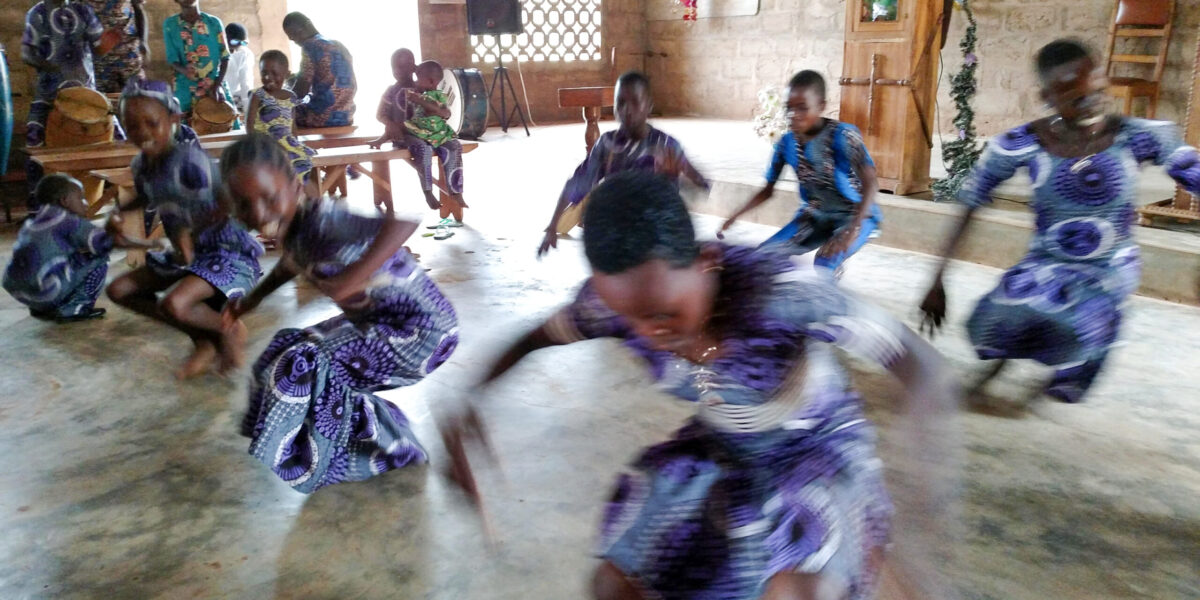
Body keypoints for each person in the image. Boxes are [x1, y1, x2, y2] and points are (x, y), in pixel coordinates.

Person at [447, 171, 960, 599]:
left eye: (664, 315)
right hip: (723, 447)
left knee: (794, 591)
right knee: (615, 582)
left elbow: (923, 368)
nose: (649, 334)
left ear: (706, 262)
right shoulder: (617, 306)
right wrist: (467, 402)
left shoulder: (781, 294)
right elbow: (534, 339)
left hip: (817, 449)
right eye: (631, 319)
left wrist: (919, 509)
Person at [918, 39, 1200, 404]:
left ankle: (1076, 361)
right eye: (1071, 91)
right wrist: (937, 278)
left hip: (1109, 265)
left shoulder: (1138, 136)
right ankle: (1002, 362)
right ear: (1047, 96)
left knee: (1079, 322)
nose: (1089, 94)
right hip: (1045, 261)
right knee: (994, 320)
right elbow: (972, 203)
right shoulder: (1025, 142)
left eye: (1094, 82)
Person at [218, 133, 459, 493]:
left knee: (303, 366)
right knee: (286, 347)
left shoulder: (326, 220)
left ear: (296, 186)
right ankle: (370, 432)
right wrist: (249, 302)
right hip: (380, 326)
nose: (258, 213)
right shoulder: (295, 230)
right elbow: (289, 265)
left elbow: (402, 224)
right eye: (244, 204)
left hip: (421, 332)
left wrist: (350, 278)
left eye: (269, 198)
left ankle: (391, 445)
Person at [105, 79, 262, 379]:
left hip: (225, 249)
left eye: (152, 123)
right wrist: (118, 213)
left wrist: (188, 235)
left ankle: (227, 328)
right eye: (131, 125)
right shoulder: (141, 165)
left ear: (174, 121)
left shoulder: (191, 161)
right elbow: (147, 194)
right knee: (120, 290)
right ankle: (202, 339)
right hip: (186, 251)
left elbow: (227, 203)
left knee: (174, 304)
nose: (142, 133)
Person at [720, 70, 882, 276]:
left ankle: (831, 290)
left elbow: (870, 183)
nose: (793, 115)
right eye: (788, 108)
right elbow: (768, 190)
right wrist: (735, 215)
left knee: (824, 264)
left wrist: (853, 229)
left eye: (802, 108)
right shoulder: (786, 143)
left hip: (854, 217)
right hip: (814, 218)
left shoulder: (843, 136)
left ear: (821, 106)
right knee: (762, 257)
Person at [539, 71, 709, 257]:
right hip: (619, 239)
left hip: (656, 241)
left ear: (648, 106)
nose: (626, 110)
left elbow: (701, 187)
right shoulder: (607, 145)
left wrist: (677, 180)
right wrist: (552, 225)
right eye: (620, 102)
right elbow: (578, 182)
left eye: (635, 102)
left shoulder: (667, 146)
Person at [3, 174, 158, 322]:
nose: (85, 202)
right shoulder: (68, 222)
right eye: (80, 197)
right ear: (64, 201)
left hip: (18, 290)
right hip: (46, 292)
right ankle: (75, 308)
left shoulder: (35, 220)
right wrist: (150, 244)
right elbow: (107, 243)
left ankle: (41, 307)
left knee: (67, 260)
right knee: (99, 258)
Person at [372, 58, 467, 223]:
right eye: (395, 68)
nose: (398, 72)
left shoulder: (424, 89)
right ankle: (428, 191)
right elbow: (380, 114)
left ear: (413, 68)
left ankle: (456, 192)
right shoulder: (392, 91)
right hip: (406, 134)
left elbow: (445, 113)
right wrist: (390, 124)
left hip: (433, 134)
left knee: (454, 146)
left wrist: (428, 105)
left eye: (404, 67)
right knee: (423, 149)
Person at [21, 0, 115, 148]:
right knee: (36, 145)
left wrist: (106, 45)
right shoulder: (37, 13)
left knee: (113, 139)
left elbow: (97, 50)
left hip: (86, 92)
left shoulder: (83, 10)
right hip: (50, 95)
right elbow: (27, 54)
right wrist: (50, 67)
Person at [246, 50, 315, 181]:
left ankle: (302, 195)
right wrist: (255, 147)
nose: (268, 77)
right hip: (265, 143)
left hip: (287, 144)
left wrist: (295, 143)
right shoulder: (257, 95)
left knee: (304, 162)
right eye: (264, 73)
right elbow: (249, 124)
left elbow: (292, 125)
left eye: (274, 73)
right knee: (283, 164)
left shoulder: (291, 96)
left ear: (287, 74)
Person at [283, 12, 357, 128]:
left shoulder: (310, 47)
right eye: (292, 39)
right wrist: (294, 79)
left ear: (308, 25)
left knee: (276, 113)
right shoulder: (338, 45)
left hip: (321, 118)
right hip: (346, 115)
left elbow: (300, 92)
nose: (296, 41)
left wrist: (279, 97)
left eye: (297, 34)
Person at [162, 0, 235, 115]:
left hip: (213, 86)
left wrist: (217, 85)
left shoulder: (214, 23)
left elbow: (225, 57)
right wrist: (185, 71)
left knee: (224, 123)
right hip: (185, 89)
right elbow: (172, 59)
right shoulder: (170, 25)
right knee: (187, 128)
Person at [84, 0, 149, 94]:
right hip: (99, 56)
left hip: (128, 52)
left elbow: (139, 8)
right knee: (101, 100)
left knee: (138, 95)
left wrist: (143, 41)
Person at [224, 22, 255, 114]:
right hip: (218, 95)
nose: (239, 45)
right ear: (225, 38)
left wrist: (247, 109)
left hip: (237, 97)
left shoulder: (244, 54)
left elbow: (245, 83)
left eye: (243, 43)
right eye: (235, 42)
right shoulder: (216, 51)